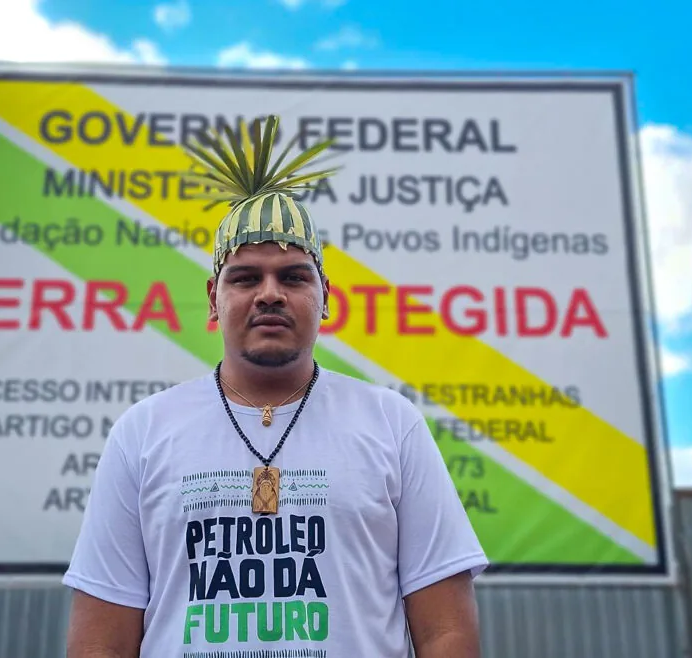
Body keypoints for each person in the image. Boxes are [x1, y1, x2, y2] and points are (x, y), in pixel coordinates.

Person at [63, 115, 489, 657]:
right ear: (214, 298)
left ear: (325, 297)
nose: (269, 293)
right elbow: (101, 639)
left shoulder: (390, 423)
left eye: (293, 276)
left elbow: (446, 630)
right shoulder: (143, 432)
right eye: (245, 278)